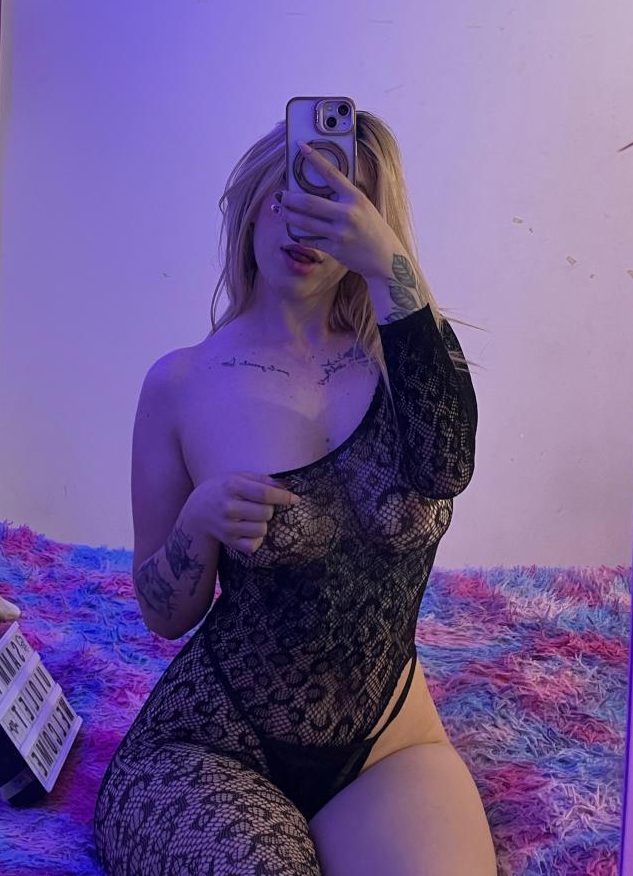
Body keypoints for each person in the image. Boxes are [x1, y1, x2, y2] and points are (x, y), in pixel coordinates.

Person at [95, 111, 499, 875]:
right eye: (290, 190)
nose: (305, 218)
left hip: (388, 746)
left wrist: (389, 265)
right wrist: (198, 521)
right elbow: (162, 613)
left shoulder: (409, 359)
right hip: (212, 744)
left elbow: (446, 466)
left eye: (338, 198)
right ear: (252, 202)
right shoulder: (180, 384)